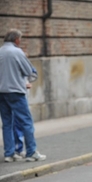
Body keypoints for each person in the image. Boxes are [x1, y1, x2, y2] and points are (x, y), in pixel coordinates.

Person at [0, 29, 46, 162]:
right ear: (16, 40)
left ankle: (9, 153)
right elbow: (28, 71)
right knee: (26, 122)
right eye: (20, 39)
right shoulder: (17, 52)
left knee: (7, 123)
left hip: (1, 92)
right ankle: (31, 152)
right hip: (16, 92)